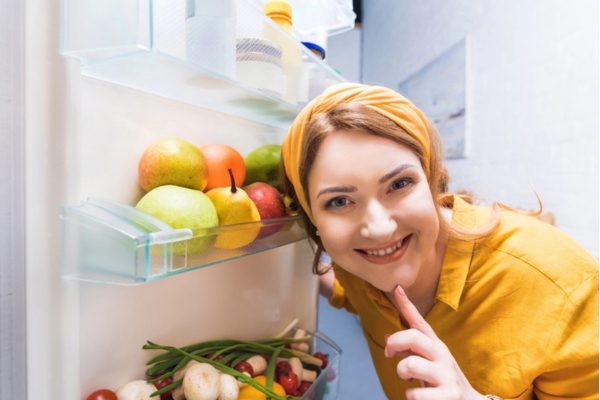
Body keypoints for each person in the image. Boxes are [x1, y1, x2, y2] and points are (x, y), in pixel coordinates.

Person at [279, 83, 598, 399]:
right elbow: (353, 294)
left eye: (399, 183)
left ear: (431, 178)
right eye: (338, 202)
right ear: (312, 219)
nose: (378, 230)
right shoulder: (357, 264)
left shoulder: (562, 284)